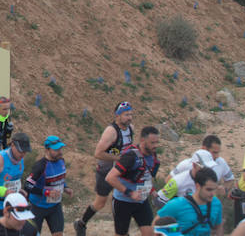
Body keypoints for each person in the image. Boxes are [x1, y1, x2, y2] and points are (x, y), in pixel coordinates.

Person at [74, 100, 136, 236]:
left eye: (131, 114)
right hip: (106, 171)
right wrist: (119, 158)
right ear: (118, 115)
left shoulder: (131, 128)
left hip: (122, 171)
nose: (129, 117)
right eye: (126, 114)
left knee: (122, 200)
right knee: (100, 202)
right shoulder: (111, 131)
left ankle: (122, 231)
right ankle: (81, 222)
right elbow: (98, 153)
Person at [105, 126, 161, 236]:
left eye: (157, 142)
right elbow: (110, 178)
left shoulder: (152, 153)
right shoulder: (130, 156)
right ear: (142, 141)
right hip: (122, 202)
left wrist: (152, 190)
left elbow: (146, 174)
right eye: (152, 143)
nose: (156, 146)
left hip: (141, 202)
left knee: (150, 233)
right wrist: (130, 193)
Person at [154, 167, 223, 236]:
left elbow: (218, 228)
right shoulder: (177, 204)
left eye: (214, 189)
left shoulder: (216, 204)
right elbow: (155, 225)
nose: (212, 194)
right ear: (198, 186)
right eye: (208, 190)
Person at [24, 135, 72, 236]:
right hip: (37, 207)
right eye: (56, 149)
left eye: (60, 148)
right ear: (47, 149)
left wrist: (65, 187)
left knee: (58, 234)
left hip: (55, 206)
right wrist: (46, 192)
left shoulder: (61, 161)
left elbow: (59, 178)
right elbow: (27, 185)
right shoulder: (40, 166)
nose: (60, 152)